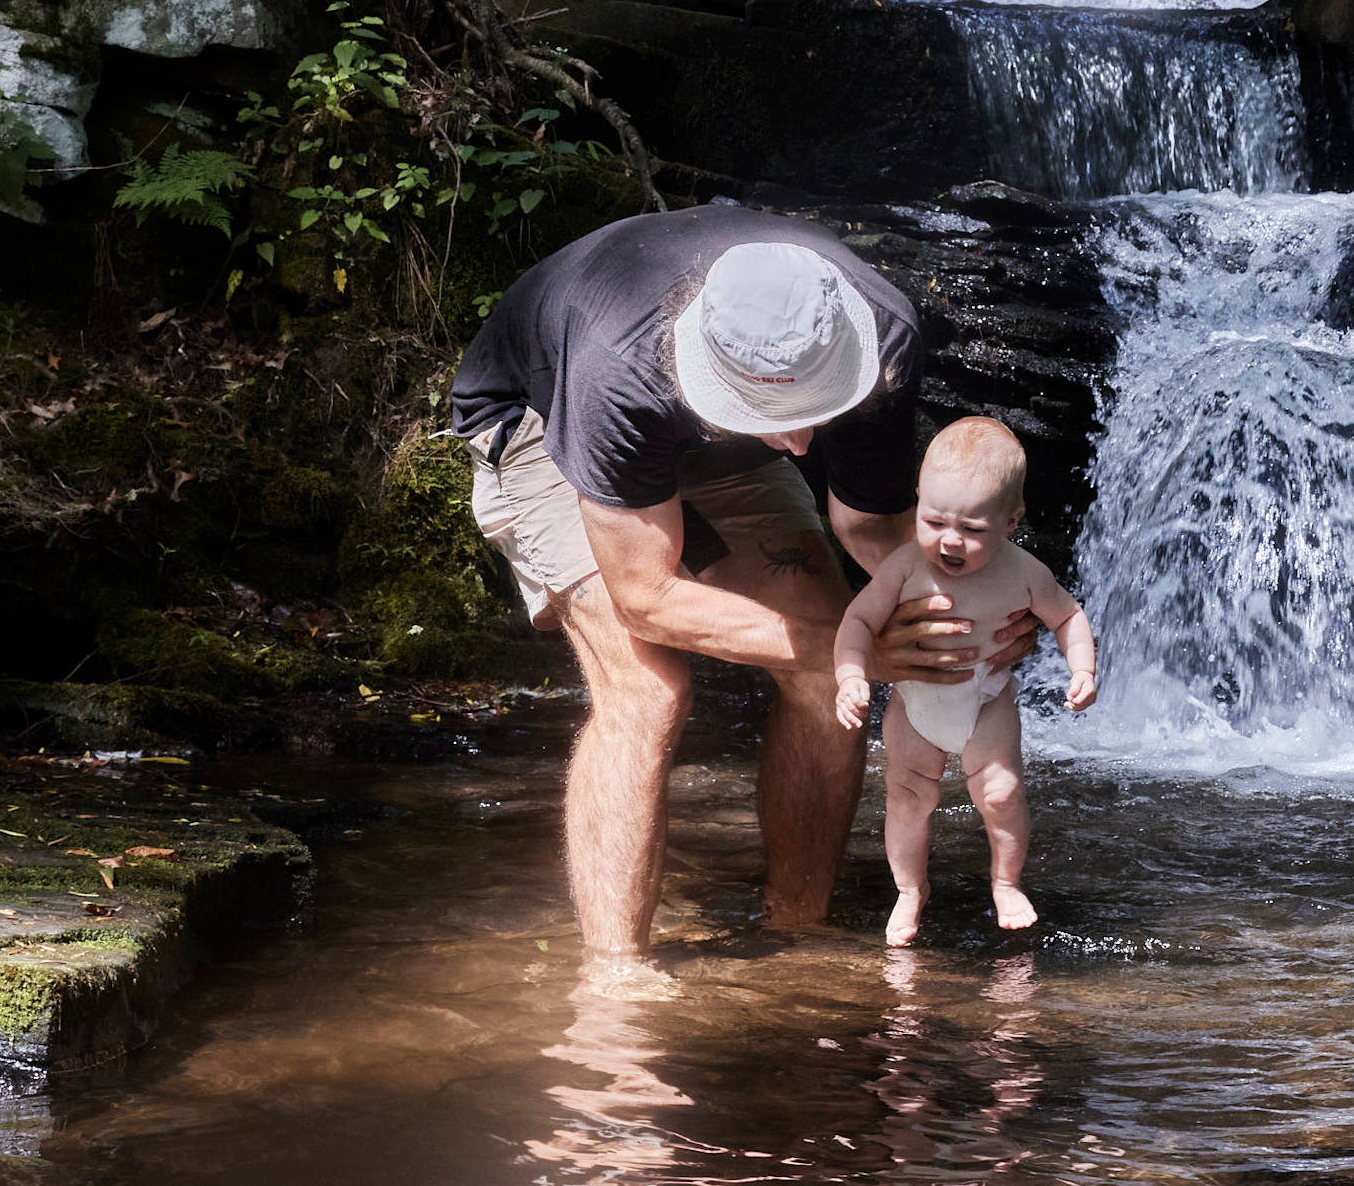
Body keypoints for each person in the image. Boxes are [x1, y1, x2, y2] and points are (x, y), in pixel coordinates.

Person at [453, 204, 1031, 996]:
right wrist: (850, 638)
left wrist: (968, 611)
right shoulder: (615, 365)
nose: (803, 449)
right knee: (648, 688)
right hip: (542, 421)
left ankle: (799, 929)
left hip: (718, 435)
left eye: (814, 413)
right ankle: (615, 983)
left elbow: (867, 523)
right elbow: (646, 597)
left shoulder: (881, 336)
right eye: (781, 419)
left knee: (831, 675)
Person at [830, 417, 1096, 943]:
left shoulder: (1023, 573)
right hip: (914, 707)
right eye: (934, 522)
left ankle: (1005, 881)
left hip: (986, 702)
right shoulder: (905, 567)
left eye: (972, 530)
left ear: (1011, 522)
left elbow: (1067, 616)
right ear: (917, 501)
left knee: (1001, 792)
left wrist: (1082, 667)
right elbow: (857, 621)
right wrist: (850, 675)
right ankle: (909, 890)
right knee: (906, 797)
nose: (950, 541)